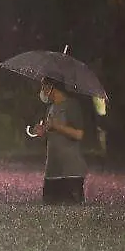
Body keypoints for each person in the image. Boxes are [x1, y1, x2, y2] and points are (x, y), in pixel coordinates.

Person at [32, 77, 89, 205]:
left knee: (71, 207)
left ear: (51, 87)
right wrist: (42, 132)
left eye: (43, 87)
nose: (42, 91)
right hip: (53, 170)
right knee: (49, 205)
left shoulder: (72, 105)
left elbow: (79, 134)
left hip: (71, 171)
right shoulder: (50, 108)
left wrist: (57, 126)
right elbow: (51, 134)